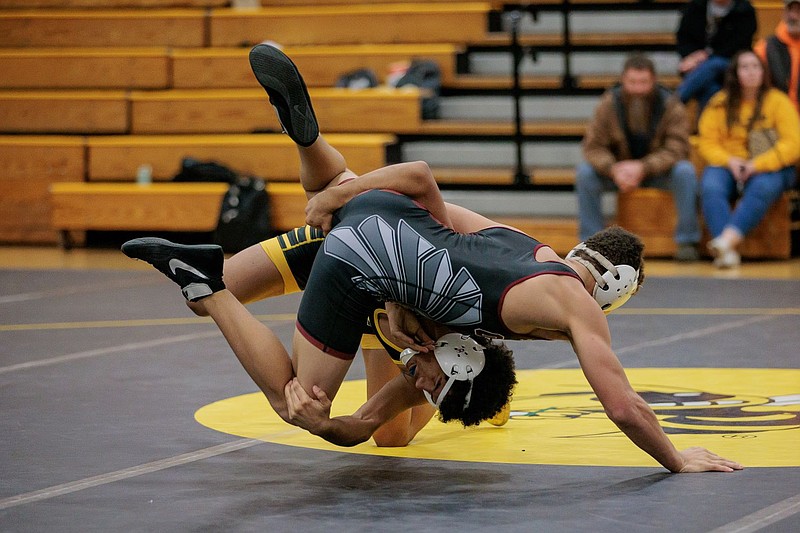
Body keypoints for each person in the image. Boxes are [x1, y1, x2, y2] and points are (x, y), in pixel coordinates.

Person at [124, 44, 742, 473]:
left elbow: (420, 185)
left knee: (337, 275)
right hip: (361, 266)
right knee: (294, 392)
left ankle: (310, 145)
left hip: (376, 228)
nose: (421, 382)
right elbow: (623, 405)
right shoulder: (555, 312)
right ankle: (204, 282)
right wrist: (677, 456)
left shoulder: (518, 248)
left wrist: (342, 192)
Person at [575, 54, 701, 261]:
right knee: (585, 174)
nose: (638, 88)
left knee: (685, 172)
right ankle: (591, 246)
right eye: (632, 82)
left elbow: (677, 147)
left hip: (657, 172)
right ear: (623, 80)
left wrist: (643, 167)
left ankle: (687, 241)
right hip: (618, 173)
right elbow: (593, 147)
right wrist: (613, 169)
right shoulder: (608, 104)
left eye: (644, 82)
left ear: (654, 81)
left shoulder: (671, 104)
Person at [696, 50, 800, 267]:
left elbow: (793, 144)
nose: (751, 72)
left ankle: (726, 241)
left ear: (763, 72)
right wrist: (729, 161)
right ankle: (727, 252)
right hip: (729, 164)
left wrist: (757, 164)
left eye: (756, 67)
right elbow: (706, 142)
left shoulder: (778, 101)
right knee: (711, 185)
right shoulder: (720, 103)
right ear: (735, 73)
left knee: (763, 186)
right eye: (745, 67)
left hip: (770, 166)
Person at [676, 0, 757, 111]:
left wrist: (705, 57)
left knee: (715, 63)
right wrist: (691, 56)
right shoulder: (695, 6)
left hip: (731, 64)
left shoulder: (745, 10)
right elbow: (683, 38)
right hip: (700, 68)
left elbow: (740, 45)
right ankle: (706, 127)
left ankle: (675, 101)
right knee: (711, 89)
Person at [754, 0, 800, 114]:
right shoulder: (764, 48)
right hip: (774, 116)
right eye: (789, 10)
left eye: (799, 11)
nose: (793, 16)